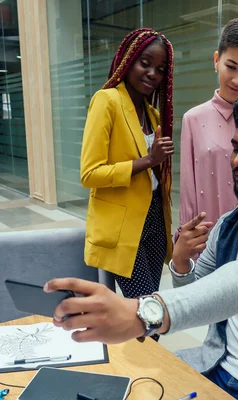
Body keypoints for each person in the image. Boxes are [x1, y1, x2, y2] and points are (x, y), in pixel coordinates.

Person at [46, 92, 238, 399]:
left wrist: (144, 313)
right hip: (217, 368)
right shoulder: (233, 222)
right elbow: (202, 291)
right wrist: (180, 262)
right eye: (235, 148)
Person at [80, 28, 175, 302]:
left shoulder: (154, 114)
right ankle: (136, 346)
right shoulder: (106, 101)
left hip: (155, 218)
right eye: (145, 63)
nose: (152, 74)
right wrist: (148, 161)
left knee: (151, 305)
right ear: (127, 60)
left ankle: (134, 348)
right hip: (122, 225)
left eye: (160, 68)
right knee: (147, 313)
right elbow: (90, 174)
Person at [177, 16, 238, 240]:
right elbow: (189, 191)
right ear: (217, 60)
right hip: (208, 240)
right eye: (231, 66)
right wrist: (185, 240)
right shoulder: (193, 119)